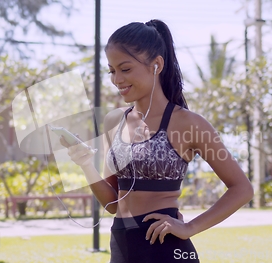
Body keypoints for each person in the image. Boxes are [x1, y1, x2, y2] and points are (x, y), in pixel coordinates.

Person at [61, 19, 254, 263]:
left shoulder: (189, 123)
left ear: (156, 65)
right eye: (112, 70)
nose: (116, 79)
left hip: (166, 250)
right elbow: (113, 204)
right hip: (121, 248)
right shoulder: (113, 121)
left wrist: (189, 227)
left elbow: (242, 189)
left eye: (126, 69)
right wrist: (85, 164)